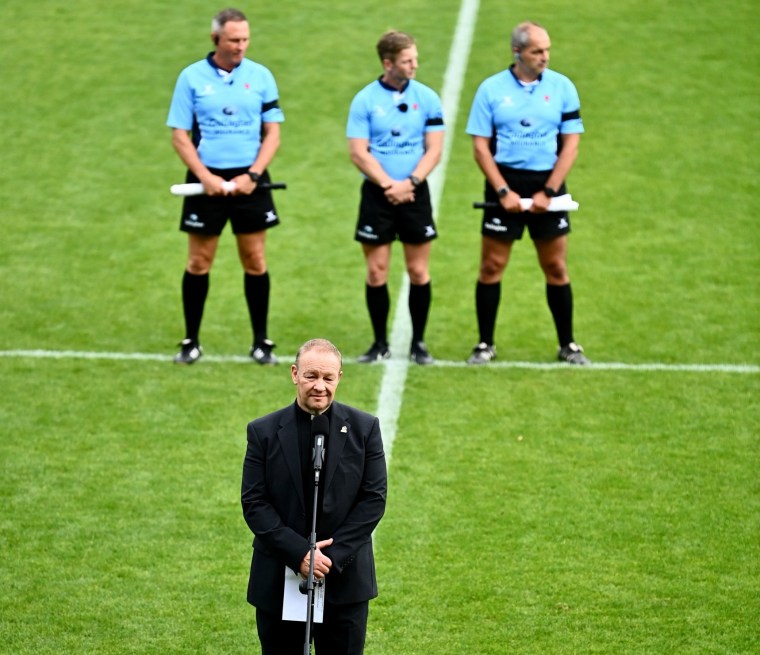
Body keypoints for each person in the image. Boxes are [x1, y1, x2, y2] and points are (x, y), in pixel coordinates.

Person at [241, 338, 387, 655]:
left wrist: (328, 560)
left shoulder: (365, 429)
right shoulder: (262, 432)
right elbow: (254, 503)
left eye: (327, 377)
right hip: (279, 581)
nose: (319, 386)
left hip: (345, 582)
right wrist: (299, 553)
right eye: (311, 376)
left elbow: (373, 500)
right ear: (295, 374)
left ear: (339, 378)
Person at [465, 21, 590, 365]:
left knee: (555, 266)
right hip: (504, 182)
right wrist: (502, 190)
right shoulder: (491, 89)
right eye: (537, 51)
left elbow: (571, 145)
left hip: (548, 185)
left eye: (547, 49)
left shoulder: (562, 87)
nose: (545, 57)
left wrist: (549, 191)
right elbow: (480, 147)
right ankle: (484, 344)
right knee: (492, 266)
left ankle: (568, 345)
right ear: (517, 52)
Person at [166, 8, 284, 365]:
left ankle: (261, 342)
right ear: (215, 39)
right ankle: (191, 341)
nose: (240, 46)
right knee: (199, 261)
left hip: (251, 180)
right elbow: (179, 136)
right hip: (207, 180)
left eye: (245, 39)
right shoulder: (191, 78)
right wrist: (206, 177)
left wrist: (252, 175)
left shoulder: (261, 76)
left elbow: (273, 132)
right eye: (234, 40)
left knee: (255, 259)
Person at [346, 30, 445, 365]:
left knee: (419, 271)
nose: (415, 65)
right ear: (388, 63)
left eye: (415, 58)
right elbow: (358, 153)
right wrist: (389, 184)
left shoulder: (428, 98)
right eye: (407, 60)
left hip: (415, 193)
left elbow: (435, 149)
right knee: (377, 272)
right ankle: (379, 343)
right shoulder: (364, 100)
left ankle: (418, 343)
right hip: (378, 194)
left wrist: (411, 182)